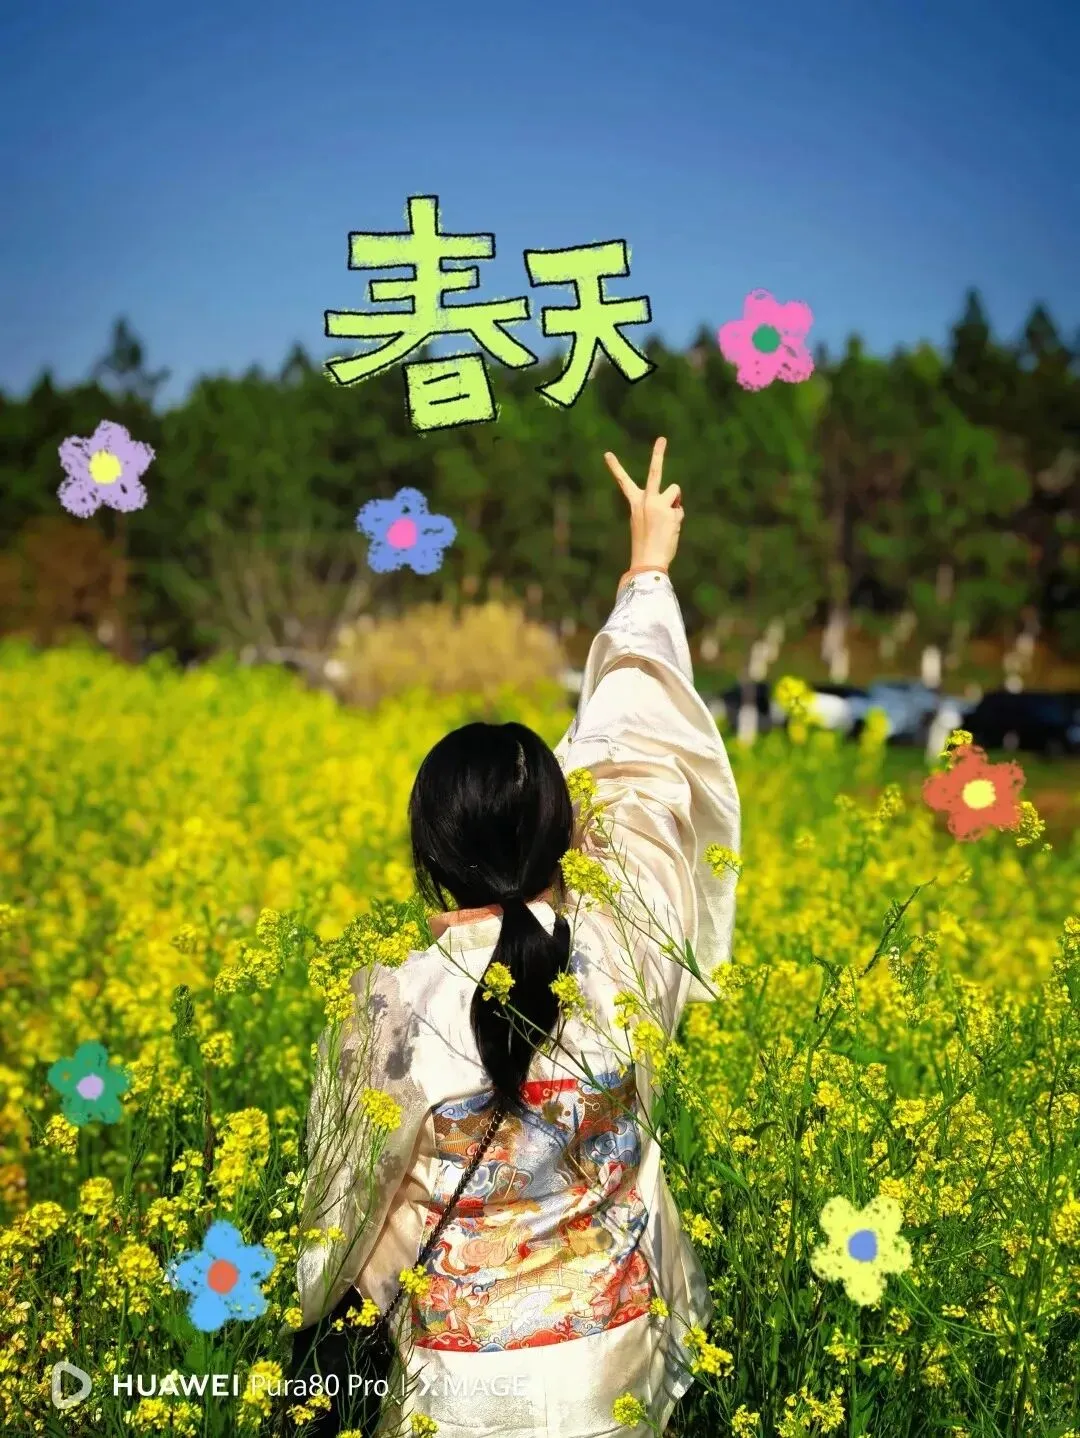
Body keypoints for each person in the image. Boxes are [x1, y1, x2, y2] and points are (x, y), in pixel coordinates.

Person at [297, 437, 741, 1437]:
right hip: (616, 1386)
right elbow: (639, 754)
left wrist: (319, 1296)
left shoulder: (395, 1003)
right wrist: (646, 573)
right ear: (570, 837)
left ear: (429, 855)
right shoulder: (625, 946)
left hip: (454, 1402)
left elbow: (342, 1215)